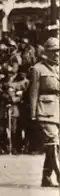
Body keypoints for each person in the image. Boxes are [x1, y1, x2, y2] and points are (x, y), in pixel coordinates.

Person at [29, 37, 60, 187]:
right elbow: (33, 92)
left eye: (58, 51)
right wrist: (33, 113)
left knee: (52, 145)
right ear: (46, 52)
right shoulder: (38, 69)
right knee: (53, 142)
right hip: (45, 109)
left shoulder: (58, 68)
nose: (57, 54)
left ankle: (46, 177)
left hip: (58, 110)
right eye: (54, 51)